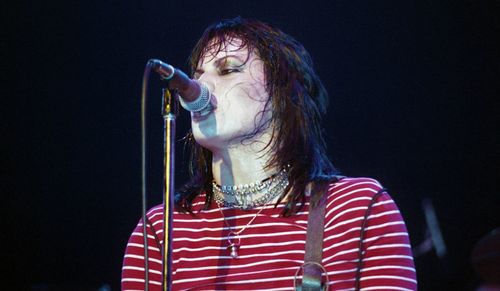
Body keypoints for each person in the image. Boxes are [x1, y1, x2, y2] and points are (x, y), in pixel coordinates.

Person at [122, 17, 417, 290]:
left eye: (227, 69)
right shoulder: (161, 230)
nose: (200, 87)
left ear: (280, 95)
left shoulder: (358, 208)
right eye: (198, 75)